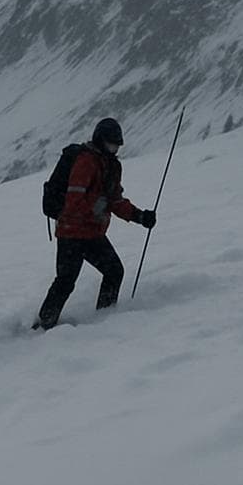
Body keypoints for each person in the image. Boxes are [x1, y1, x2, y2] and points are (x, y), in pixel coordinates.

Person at [35, 118, 156, 330]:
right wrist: (98, 206)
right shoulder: (85, 161)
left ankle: (104, 320)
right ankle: (44, 325)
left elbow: (115, 200)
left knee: (114, 271)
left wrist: (140, 216)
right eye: (111, 143)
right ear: (100, 141)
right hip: (71, 232)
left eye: (117, 144)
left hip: (91, 233)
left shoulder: (112, 166)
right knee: (66, 281)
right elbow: (74, 201)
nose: (115, 148)